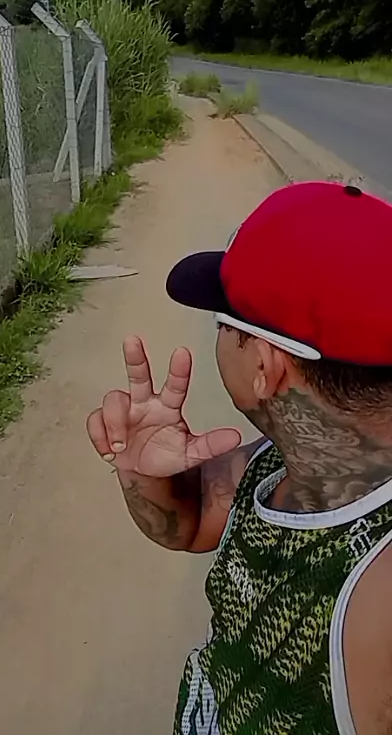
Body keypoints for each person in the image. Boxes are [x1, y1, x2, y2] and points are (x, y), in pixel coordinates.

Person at [86, 180, 392, 735]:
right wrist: (143, 472)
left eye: (226, 326)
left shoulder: (377, 597)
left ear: (265, 368)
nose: (220, 338)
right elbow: (190, 524)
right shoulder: (280, 461)